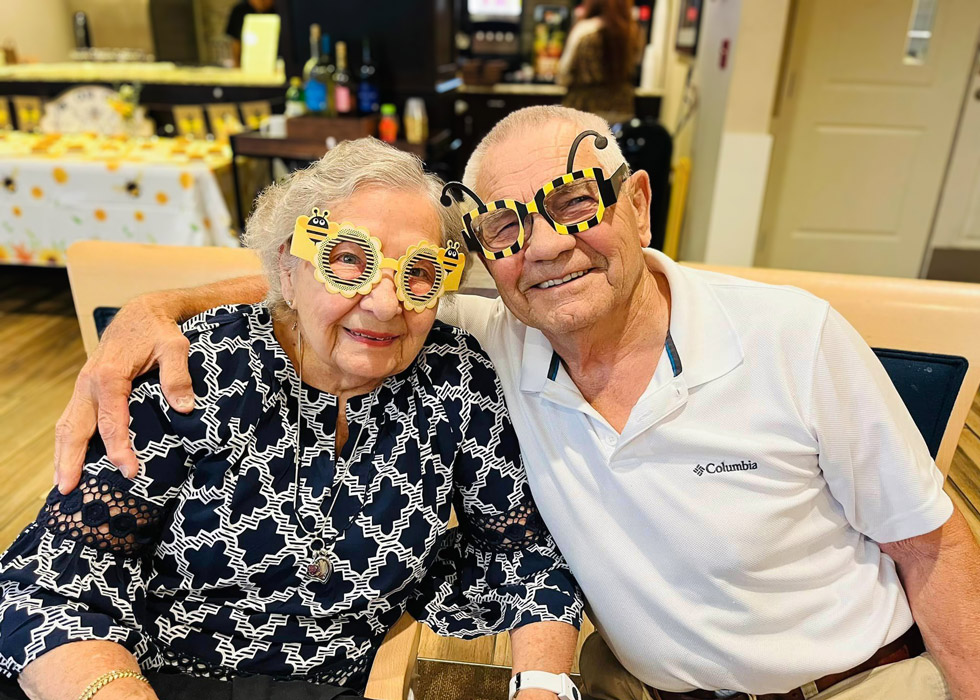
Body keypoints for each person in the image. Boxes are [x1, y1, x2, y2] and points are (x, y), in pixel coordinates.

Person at [51, 107, 980, 700]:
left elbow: (933, 546)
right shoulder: (464, 337)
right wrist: (159, 304)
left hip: (852, 683)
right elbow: (348, 279)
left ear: (638, 206)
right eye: (502, 226)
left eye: (575, 202)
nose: (544, 247)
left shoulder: (788, 336)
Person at [0, 138, 582, 700]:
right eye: (348, 261)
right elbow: (49, 581)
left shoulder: (455, 380)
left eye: (420, 272)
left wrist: (543, 685)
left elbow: (520, 552)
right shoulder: (194, 372)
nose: (386, 303)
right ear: (288, 266)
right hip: (144, 677)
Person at [557, 0, 636, 124]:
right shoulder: (632, 32)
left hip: (584, 112)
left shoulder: (584, 30)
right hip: (622, 112)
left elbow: (563, 76)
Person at [225, 0, 277, 67]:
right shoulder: (239, 10)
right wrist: (237, 65)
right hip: (247, 65)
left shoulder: (281, 9)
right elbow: (235, 42)